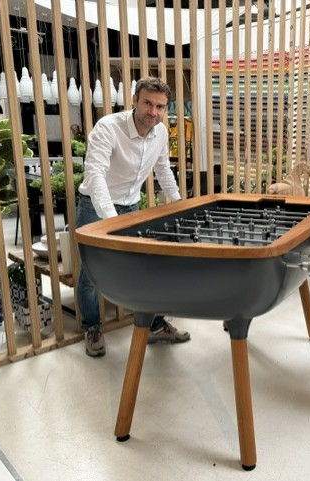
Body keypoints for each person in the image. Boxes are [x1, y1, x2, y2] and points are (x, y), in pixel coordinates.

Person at [76, 76, 190, 357]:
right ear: (135, 101)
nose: (154, 112)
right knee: (91, 272)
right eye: (148, 104)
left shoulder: (160, 132)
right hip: (95, 206)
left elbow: (163, 169)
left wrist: (179, 203)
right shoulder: (108, 128)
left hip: (131, 205)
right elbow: (95, 175)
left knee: (143, 267)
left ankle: (155, 326)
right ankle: (92, 327)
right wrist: (112, 219)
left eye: (160, 107)